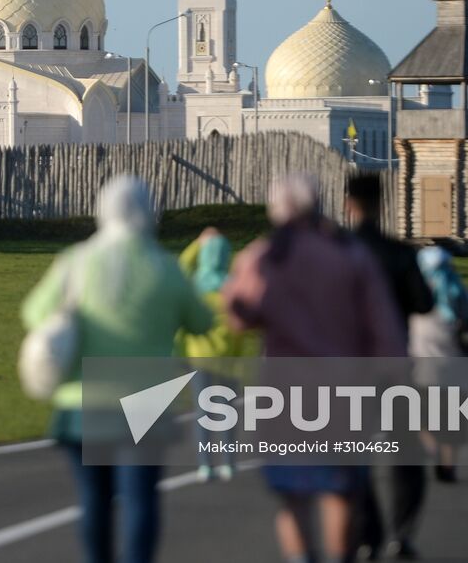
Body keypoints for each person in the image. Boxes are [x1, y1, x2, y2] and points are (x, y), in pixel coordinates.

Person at [21, 175, 214, 563]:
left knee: (93, 501)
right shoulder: (165, 268)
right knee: (141, 498)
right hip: (147, 401)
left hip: (83, 399)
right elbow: (202, 322)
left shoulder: (75, 262)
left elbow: (34, 313)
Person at [223, 174, 406, 563]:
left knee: (293, 496)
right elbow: (384, 328)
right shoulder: (349, 254)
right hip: (342, 391)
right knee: (339, 491)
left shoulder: (264, 257)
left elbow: (239, 316)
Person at [344, 173, 434, 562]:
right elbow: (424, 303)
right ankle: (402, 531)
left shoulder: (339, 252)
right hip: (395, 366)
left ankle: (368, 534)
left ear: (349, 204)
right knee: (407, 455)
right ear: (382, 205)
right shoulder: (399, 253)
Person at [409, 247, 468, 485]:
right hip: (456, 371)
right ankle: (448, 465)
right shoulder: (464, 298)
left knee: (420, 417)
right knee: (452, 420)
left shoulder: (415, 300)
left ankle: (431, 447)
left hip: (422, 370)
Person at [178, 226, 255, 483]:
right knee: (227, 411)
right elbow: (246, 327)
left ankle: (205, 464)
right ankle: (229, 462)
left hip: (199, 355)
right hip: (229, 356)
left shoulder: (193, 286)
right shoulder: (233, 288)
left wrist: (197, 245)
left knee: (204, 410)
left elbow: (180, 267)